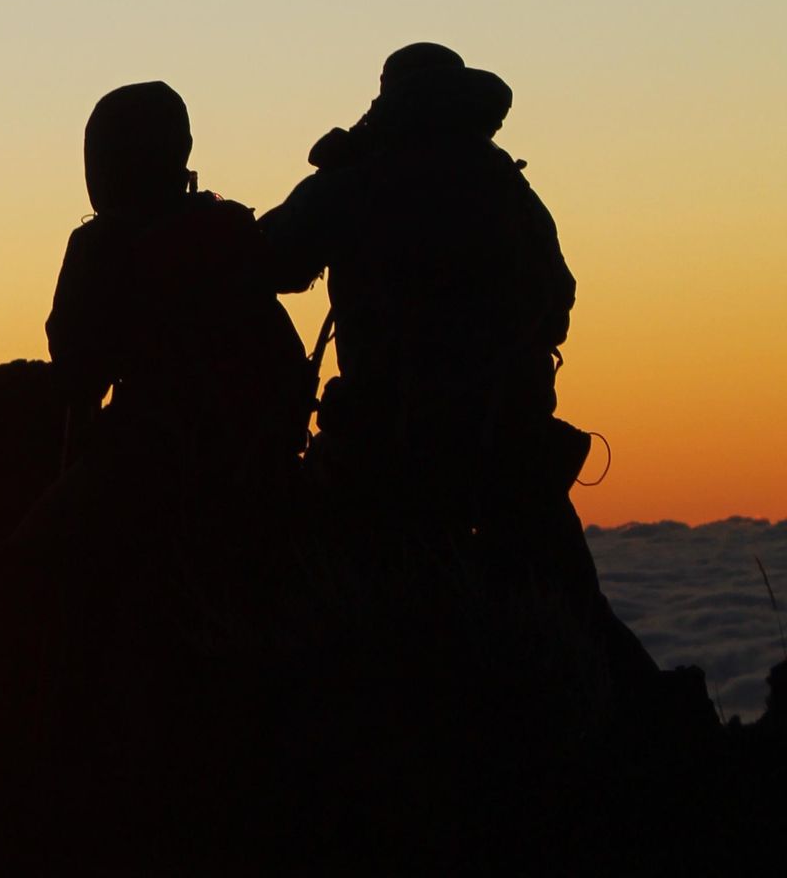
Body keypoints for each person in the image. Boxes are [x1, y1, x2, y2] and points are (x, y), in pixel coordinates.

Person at [255, 43, 580, 530]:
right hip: (510, 450)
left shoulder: (360, 181)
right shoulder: (504, 184)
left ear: (389, 98)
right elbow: (558, 302)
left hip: (389, 455)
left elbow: (271, 263)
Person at [45, 82, 314, 496]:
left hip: (154, 461)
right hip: (259, 451)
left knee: (25, 557)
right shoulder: (230, 227)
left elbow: (78, 375)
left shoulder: (100, 245)